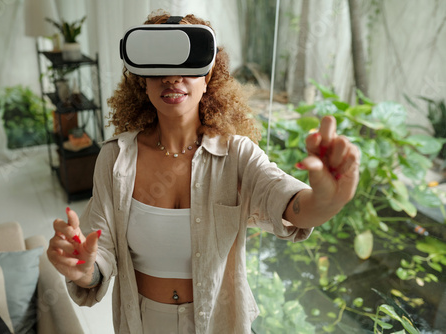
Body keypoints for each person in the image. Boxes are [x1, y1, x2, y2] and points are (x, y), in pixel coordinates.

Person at [47, 11, 360, 334]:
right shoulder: (115, 159)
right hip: (143, 323)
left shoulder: (237, 155)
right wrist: (84, 270)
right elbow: (101, 254)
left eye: (187, 66)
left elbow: (293, 206)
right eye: (159, 68)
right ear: (142, 79)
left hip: (220, 323)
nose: (172, 78)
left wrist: (328, 198)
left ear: (208, 76)